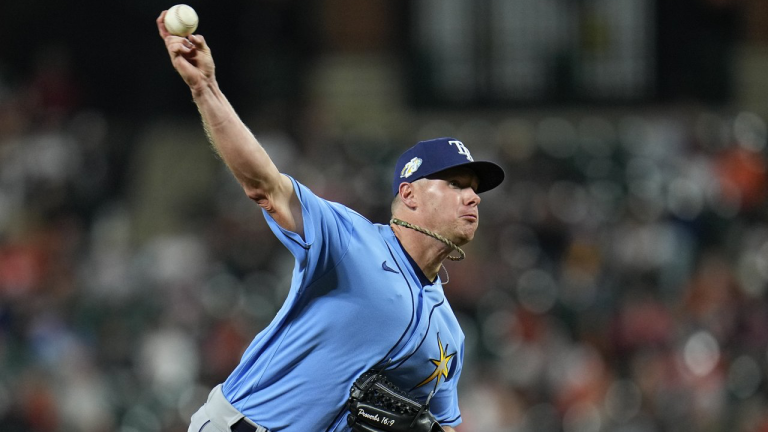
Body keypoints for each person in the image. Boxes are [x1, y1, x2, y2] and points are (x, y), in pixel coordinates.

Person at [157, 9, 504, 432]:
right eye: (454, 183)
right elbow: (265, 184)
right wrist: (205, 87)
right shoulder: (351, 241)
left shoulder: (450, 336)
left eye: (475, 189)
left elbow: (445, 426)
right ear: (408, 194)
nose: (471, 196)